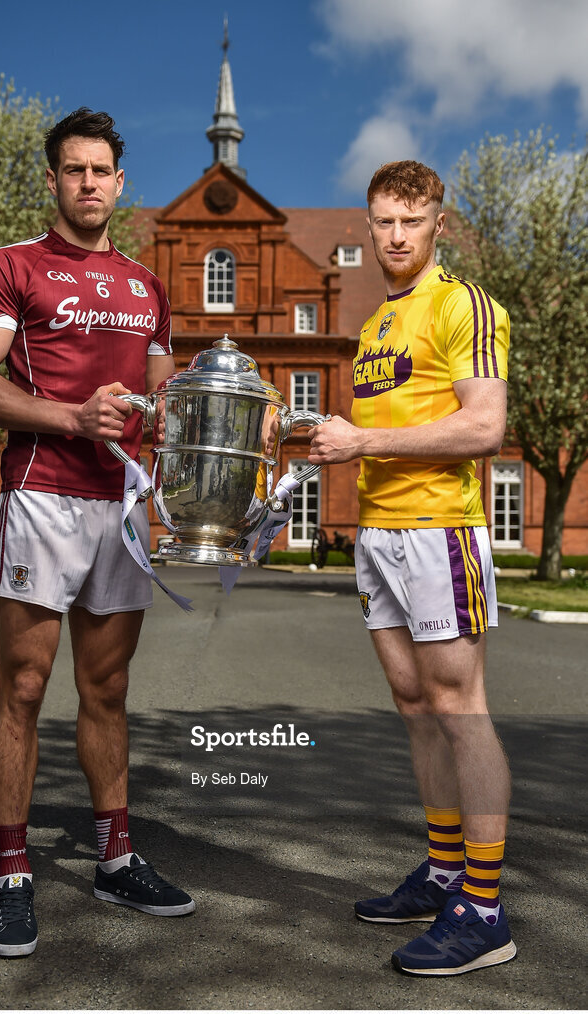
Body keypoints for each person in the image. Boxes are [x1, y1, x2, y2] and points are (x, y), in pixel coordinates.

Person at [0, 107, 194, 959]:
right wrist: (69, 416)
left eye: (103, 171)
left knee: (108, 689)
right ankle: (13, 874)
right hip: (43, 494)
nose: (89, 183)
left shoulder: (144, 285)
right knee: (22, 685)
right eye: (74, 169)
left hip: (120, 506)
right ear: (52, 179)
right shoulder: (13, 267)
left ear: (120, 184)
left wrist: (215, 423)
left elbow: (164, 407)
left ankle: (114, 857)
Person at [308, 161, 515, 977]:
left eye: (411, 221)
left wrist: (362, 442)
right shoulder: (377, 325)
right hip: (380, 534)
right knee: (413, 701)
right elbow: (382, 424)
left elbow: (484, 427)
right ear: (368, 224)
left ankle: (486, 908)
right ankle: (442, 872)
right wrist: (324, 434)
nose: (396, 236)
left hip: (440, 531)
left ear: (439, 225)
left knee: (460, 705)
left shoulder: (462, 304)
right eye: (383, 221)